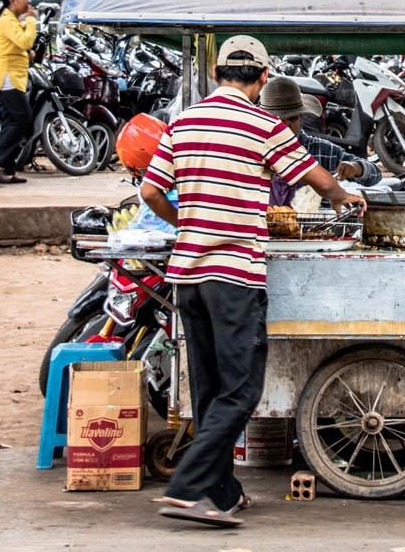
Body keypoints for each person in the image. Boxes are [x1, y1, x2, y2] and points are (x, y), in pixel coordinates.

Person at [140, 35, 365, 528]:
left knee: (209, 388)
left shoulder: (182, 121)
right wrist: (346, 199)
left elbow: (151, 189)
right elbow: (318, 180)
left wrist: (187, 226)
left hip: (188, 278)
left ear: (219, 72)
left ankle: (221, 492)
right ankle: (188, 487)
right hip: (235, 278)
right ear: (263, 78)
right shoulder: (263, 124)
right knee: (241, 390)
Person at [258, 76, 380, 206]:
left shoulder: (321, 149)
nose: (286, 125)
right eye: (279, 120)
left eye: (292, 119)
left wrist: (356, 168)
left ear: (301, 118)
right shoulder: (251, 148)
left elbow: (375, 175)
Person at [0, 0, 37, 184]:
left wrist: (27, 53)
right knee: (23, 120)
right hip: (7, 78)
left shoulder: (11, 19)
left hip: (14, 77)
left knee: (10, 122)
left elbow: (19, 46)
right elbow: (25, 41)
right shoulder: (7, 21)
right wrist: (31, 21)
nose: (28, 1)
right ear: (13, 1)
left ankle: (6, 171)